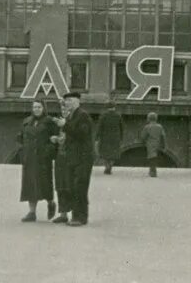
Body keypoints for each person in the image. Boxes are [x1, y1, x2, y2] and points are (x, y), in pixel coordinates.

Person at [57, 91, 94, 226]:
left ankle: (80, 218)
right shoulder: (72, 116)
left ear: (78, 101)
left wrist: (64, 126)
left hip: (83, 158)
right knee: (74, 186)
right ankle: (76, 216)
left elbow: (82, 134)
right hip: (74, 157)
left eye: (71, 101)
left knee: (80, 187)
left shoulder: (82, 116)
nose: (68, 103)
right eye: (66, 101)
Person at [18, 101, 58, 219]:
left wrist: (48, 151)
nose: (36, 109)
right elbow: (19, 137)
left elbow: (55, 138)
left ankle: (51, 203)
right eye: (34, 107)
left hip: (43, 158)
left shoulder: (49, 121)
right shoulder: (27, 121)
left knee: (45, 183)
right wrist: (22, 150)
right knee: (30, 184)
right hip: (29, 158)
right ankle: (32, 212)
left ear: (43, 108)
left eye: (39, 107)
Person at [95, 100, 124, 175]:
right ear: (114, 107)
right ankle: (110, 166)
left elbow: (99, 127)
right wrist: (121, 137)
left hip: (105, 137)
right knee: (114, 153)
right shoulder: (118, 115)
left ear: (107, 107)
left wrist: (97, 137)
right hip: (115, 137)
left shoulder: (103, 115)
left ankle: (107, 166)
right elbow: (122, 128)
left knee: (105, 153)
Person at [139, 112, 167, 178]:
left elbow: (143, 136)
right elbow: (163, 136)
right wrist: (164, 145)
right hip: (158, 143)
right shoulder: (160, 126)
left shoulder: (147, 127)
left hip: (150, 144)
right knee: (154, 157)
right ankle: (152, 171)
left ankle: (153, 171)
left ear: (149, 119)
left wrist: (143, 142)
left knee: (151, 158)